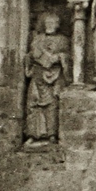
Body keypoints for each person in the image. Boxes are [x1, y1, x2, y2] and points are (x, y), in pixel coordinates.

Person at [23, 10, 70, 143]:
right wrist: (31, 58)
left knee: (52, 104)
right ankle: (32, 135)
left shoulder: (63, 40)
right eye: (48, 22)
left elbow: (67, 57)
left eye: (54, 22)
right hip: (38, 74)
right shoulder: (37, 39)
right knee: (33, 103)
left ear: (58, 24)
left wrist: (60, 57)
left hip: (55, 75)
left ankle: (52, 134)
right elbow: (30, 55)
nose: (50, 24)